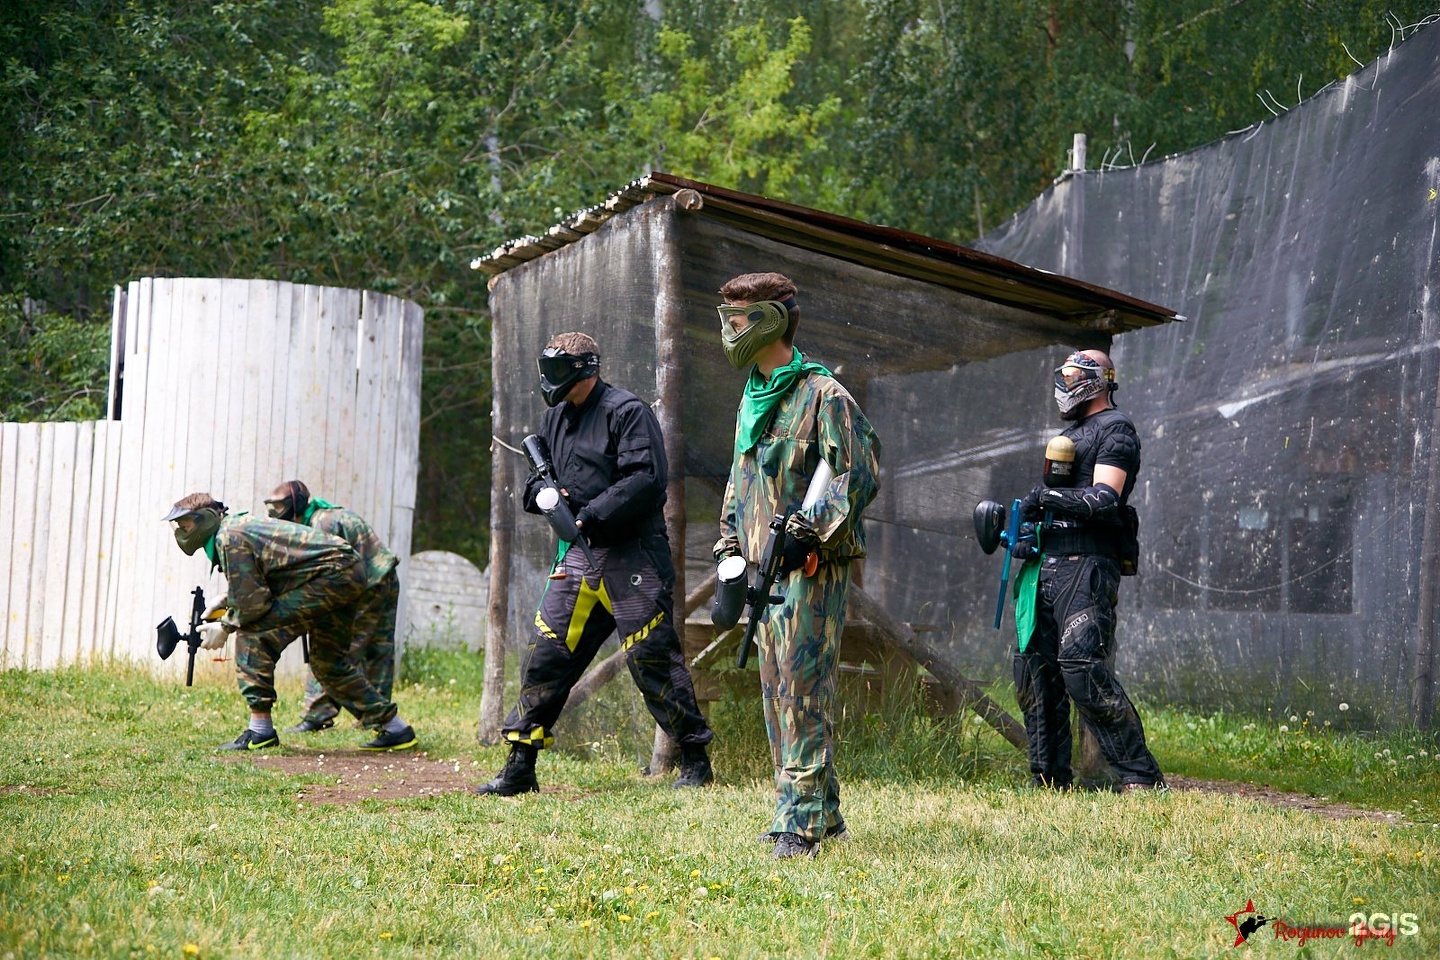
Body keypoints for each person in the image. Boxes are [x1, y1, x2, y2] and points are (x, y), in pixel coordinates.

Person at [473, 332, 715, 796]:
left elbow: (645, 480)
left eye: (559, 369)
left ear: (587, 367)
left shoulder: (627, 412)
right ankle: (520, 766)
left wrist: (585, 512)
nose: (550, 379)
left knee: (652, 659)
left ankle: (695, 762)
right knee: (547, 656)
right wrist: (549, 499)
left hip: (632, 556)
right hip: (576, 562)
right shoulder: (554, 419)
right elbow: (533, 487)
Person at [713, 272, 881, 860]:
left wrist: (811, 530)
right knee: (774, 692)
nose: (729, 330)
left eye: (738, 319)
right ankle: (819, 809)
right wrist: (729, 552)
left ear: (771, 321)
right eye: (726, 318)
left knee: (802, 691)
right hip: (762, 572)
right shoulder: (754, 397)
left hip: (811, 568)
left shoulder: (822, 393)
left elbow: (859, 472)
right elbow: (739, 481)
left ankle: (800, 820)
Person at [1011, 349, 1164, 791]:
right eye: (1064, 374)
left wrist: (1045, 498)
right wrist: (1027, 531)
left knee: (1082, 667)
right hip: (1047, 566)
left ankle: (1140, 776)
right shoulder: (1069, 434)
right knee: (1033, 670)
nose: (1065, 383)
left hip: (1088, 564)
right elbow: (1052, 507)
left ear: (1100, 380)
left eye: (1075, 375)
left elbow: (1103, 501)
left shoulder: (1116, 430)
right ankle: (1049, 777)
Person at [162, 492, 418, 752]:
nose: (181, 532)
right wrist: (228, 599)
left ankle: (260, 730)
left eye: (185, 525)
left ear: (205, 518)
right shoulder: (235, 529)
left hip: (334, 577)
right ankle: (395, 728)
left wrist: (225, 627)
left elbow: (254, 605)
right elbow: (273, 578)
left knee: (253, 633)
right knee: (328, 663)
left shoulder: (230, 537)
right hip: (346, 573)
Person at [260, 480, 400, 735]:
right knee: (377, 649)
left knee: (332, 650)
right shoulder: (320, 518)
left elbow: (326, 569)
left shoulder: (320, 525)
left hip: (368, 585)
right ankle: (378, 718)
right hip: (383, 577)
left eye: (279, 507)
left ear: (295, 504)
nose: (274, 514)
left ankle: (318, 715)